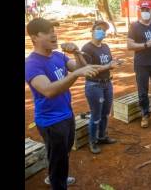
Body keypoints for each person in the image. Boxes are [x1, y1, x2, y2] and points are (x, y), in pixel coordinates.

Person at [25, 18, 101, 189]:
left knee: (62, 154)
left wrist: (77, 53)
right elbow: (48, 90)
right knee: (57, 157)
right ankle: (57, 183)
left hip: (67, 114)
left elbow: (82, 68)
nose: (54, 34)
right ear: (34, 37)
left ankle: (56, 177)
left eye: (54, 30)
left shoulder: (58, 56)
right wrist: (75, 75)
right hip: (50, 121)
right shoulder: (32, 64)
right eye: (47, 31)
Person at [81, 21, 121, 154]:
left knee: (105, 113)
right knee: (96, 115)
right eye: (99, 29)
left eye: (104, 30)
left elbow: (108, 62)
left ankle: (102, 136)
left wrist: (115, 62)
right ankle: (92, 141)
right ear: (92, 30)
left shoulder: (105, 46)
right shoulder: (87, 48)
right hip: (94, 85)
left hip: (107, 83)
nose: (102, 32)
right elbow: (89, 69)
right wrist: (108, 66)